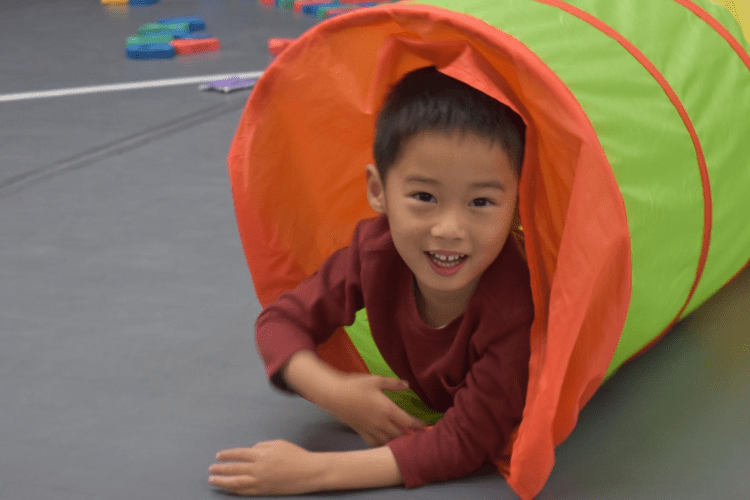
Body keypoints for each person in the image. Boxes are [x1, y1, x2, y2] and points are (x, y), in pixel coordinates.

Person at [208, 66, 533, 496]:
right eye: (424, 197)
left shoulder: (512, 304)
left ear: (515, 207)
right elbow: (281, 321)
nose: (450, 228)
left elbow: (468, 441)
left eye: (481, 202)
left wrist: (314, 472)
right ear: (378, 191)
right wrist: (335, 392)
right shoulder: (376, 254)